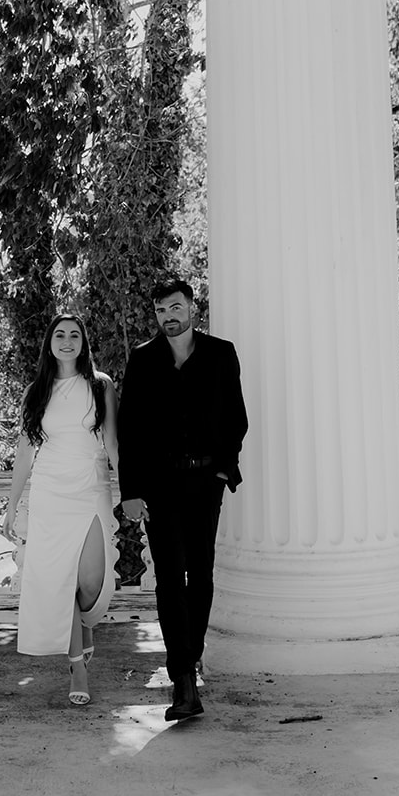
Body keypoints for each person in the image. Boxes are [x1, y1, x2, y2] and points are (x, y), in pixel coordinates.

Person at [118, 278, 247, 721]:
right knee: (170, 578)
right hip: (159, 487)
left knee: (202, 574)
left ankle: (190, 659)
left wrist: (224, 469)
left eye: (175, 307)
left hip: (204, 483)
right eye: (160, 310)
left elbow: (236, 417)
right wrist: (130, 492)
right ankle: (184, 680)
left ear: (192, 307)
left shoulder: (220, 354)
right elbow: (129, 431)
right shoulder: (142, 359)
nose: (168, 317)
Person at [4, 313, 119, 707]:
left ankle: (84, 629)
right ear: (49, 343)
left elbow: (114, 444)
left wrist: (135, 491)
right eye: (60, 334)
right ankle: (77, 666)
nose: (67, 341)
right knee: (59, 581)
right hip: (50, 492)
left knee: (89, 583)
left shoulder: (100, 385)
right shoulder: (36, 391)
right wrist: (12, 504)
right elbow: (24, 452)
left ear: (84, 342)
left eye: (74, 335)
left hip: (89, 488)